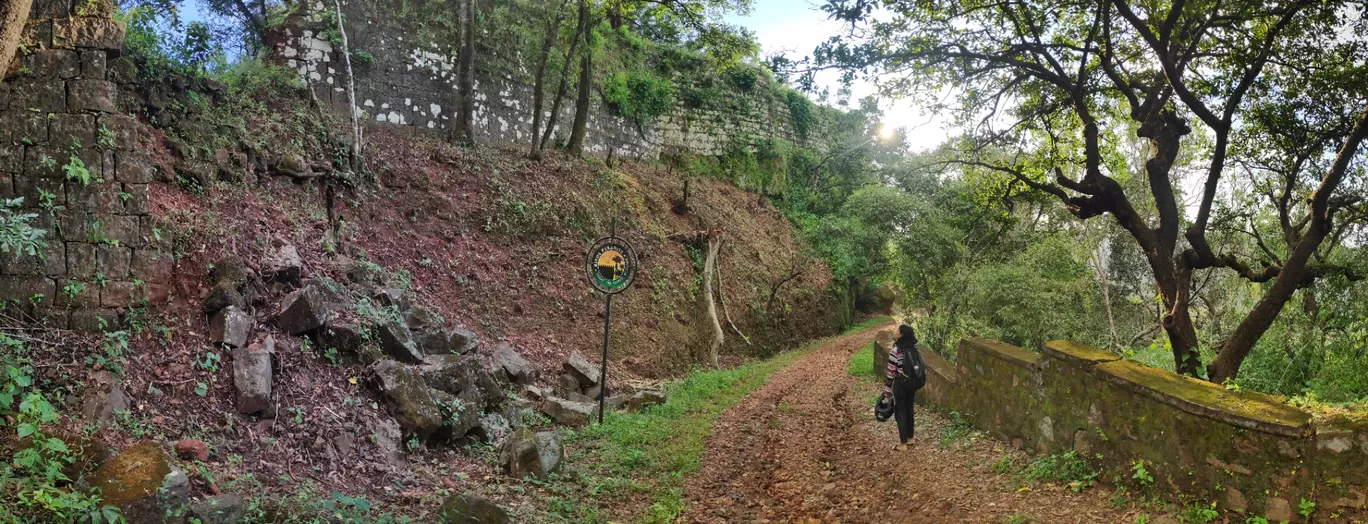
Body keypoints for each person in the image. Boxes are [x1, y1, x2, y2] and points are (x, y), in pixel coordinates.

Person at [875, 324, 925, 451]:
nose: (895, 331)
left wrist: (886, 392)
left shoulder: (895, 351)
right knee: (909, 410)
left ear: (901, 335)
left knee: (900, 413)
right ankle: (910, 438)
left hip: (901, 385)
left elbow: (891, 373)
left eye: (897, 330)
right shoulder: (914, 348)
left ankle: (902, 444)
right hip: (912, 385)